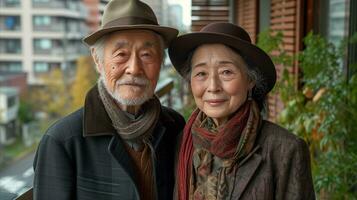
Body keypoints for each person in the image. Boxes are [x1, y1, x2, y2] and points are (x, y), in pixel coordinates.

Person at [33, 0, 185, 199]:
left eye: (147, 54)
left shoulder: (173, 127)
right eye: (121, 54)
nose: (134, 68)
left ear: (160, 63)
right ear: (98, 60)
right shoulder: (63, 141)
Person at [169, 22, 315, 200]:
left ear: (250, 80)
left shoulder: (285, 150)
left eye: (226, 72)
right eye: (201, 74)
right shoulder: (182, 143)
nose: (213, 86)